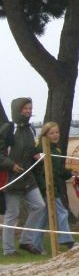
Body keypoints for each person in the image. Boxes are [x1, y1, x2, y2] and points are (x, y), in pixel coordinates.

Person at [1, 97, 47, 255]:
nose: (28, 111)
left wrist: (37, 155)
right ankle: (8, 250)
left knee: (39, 206)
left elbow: (31, 151)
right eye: (25, 108)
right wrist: (11, 165)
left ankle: (26, 241)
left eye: (30, 108)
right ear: (18, 110)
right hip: (12, 177)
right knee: (12, 214)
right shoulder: (8, 129)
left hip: (27, 176)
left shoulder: (31, 129)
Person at [26, 122, 76, 252]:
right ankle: (68, 241)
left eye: (57, 132)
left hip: (56, 186)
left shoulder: (56, 150)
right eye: (51, 133)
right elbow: (40, 173)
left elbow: (58, 170)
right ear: (45, 135)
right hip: (48, 188)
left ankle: (35, 244)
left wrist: (70, 172)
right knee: (62, 213)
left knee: (44, 217)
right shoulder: (40, 151)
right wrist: (46, 188)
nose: (55, 135)